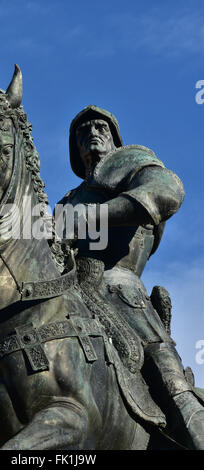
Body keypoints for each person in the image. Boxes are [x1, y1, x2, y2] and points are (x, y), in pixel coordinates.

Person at [57, 105, 204, 449]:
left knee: (170, 385)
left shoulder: (134, 164)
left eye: (100, 128)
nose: (92, 133)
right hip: (70, 297)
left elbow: (168, 192)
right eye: (83, 131)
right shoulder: (67, 201)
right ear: (74, 148)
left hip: (122, 295)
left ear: (114, 138)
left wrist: (85, 220)